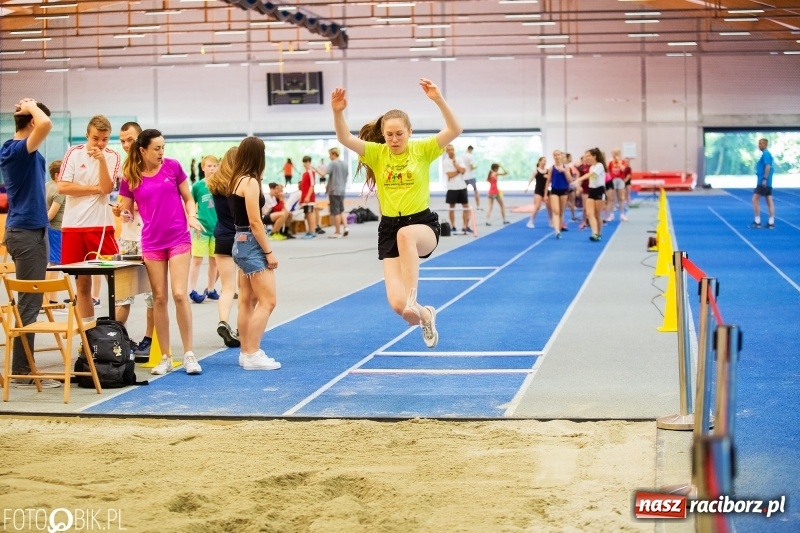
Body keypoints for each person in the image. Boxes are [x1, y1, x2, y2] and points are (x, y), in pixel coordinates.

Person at [331, 78, 463, 349]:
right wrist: (338, 112)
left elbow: (454, 129)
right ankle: (425, 314)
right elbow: (345, 138)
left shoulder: (422, 149)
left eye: (399, 134)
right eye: (389, 134)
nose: (394, 139)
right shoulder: (377, 153)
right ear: (383, 134)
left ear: (409, 132)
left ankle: (414, 298)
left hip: (422, 225)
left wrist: (438, 99)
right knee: (398, 306)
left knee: (406, 236)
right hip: (389, 228)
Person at [119, 129, 204, 376]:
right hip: (152, 242)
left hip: (178, 238)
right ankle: (165, 357)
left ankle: (189, 354)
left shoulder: (172, 167)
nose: (161, 152)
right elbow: (126, 211)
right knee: (159, 298)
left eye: (163, 148)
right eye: (156, 148)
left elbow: (188, 198)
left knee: (179, 294)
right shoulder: (130, 176)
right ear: (143, 150)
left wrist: (191, 215)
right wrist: (123, 213)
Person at [0, 98, 57, 388]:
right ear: (33, 121)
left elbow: (42, 123)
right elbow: (45, 123)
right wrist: (32, 105)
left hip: (34, 230)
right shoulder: (16, 150)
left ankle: (24, 367)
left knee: (31, 301)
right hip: (25, 232)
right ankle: (22, 371)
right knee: (30, 302)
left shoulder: (23, 149)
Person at [225, 136, 281, 370]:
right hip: (250, 243)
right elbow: (255, 222)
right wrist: (269, 252)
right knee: (268, 301)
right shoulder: (250, 182)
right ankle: (252, 352)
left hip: (240, 241)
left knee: (247, 301)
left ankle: (245, 352)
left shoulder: (236, 180)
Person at [57, 115, 120, 321]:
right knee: (82, 284)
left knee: (116, 282)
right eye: (96, 138)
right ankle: (88, 333)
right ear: (87, 136)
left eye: (105, 139)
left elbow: (107, 188)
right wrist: (95, 189)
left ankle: (117, 331)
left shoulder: (112, 156)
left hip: (101, 226)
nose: (100, 143)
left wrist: (101, 160)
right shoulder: (73, 153)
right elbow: (63, 187)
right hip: (73, 226)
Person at [113, 121, 155, 356]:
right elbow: (125, 207)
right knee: (123, 296)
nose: (126, 144)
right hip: (128, 239)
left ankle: (149, 340)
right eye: (122, 141)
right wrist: (121, 211)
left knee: (153, 297)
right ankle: (118, 338)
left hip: (150, 240)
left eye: (130, 139)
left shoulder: (154, 167)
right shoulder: (126, 170)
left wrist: (137, 204)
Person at [205, 147, 241, 348]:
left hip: (222, 237)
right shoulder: (241, 186)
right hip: (241, 238)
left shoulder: (215, 185)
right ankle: (240, 328)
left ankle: (223, 321)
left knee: (227, 287)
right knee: (243, 289)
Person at [188, 155, 220, 304]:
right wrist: (192, 219)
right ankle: (192, 290)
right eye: (209, 166)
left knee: (214, 261)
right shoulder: (198, 187)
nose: (212, 169)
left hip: (217, 229)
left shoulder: (221, 185)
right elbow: (189, 204)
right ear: (203, 168)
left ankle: (211, 289)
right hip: (201, 229)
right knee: (197, 259)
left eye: (214, 166)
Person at [573, 148, 607, 242]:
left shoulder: (599, 165)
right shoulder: (591, 167)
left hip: (599, 190)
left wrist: (578, 180)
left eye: (588, 156)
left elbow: (590, 175)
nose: (587, 158)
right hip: (591, 190)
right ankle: (594, 233)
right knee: (589, 213)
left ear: (594, 156)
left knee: (597, 214)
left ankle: (599, 233)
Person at [44, 160, 66, 307]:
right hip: (56, 229)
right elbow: (51, 215)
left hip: (49, 229)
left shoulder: (47, 186)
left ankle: (48, 298)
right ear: (58, 175)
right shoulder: (59, 190)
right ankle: (50, 298)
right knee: (54, 264)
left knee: (51, 262)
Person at [443, 144, 471, 234]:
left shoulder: (459, 159)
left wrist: (455, 164)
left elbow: (463, 170)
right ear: (446, 151)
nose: (451, 151)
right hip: (452, 187)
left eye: (452, 149)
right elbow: (450, 175)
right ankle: (453, 226)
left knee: (466, 207)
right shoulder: (445, 162)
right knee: (452, 207)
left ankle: (465, 227)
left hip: (462, 186)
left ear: (454, 150)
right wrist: (459, 171)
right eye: (449, 150)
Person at [546, 149, 573, 239]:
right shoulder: (551, 168)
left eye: (558, 155)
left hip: (564, 191)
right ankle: (556, 230)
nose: (557, 156)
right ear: (553, 157)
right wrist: (545, 194)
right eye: (555, 155)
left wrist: (564, 171)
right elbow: (548, 181)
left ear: (561, 156)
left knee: (561, 211)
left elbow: (570, 180)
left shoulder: (566, 167)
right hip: (554, 191)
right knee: (556, 211)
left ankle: (560, 227)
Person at [299, 155, 326, 239]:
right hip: (304, 197)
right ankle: (309, 231)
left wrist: (307, 196)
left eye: (306, 162)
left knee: (310, 214)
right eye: (304, 162)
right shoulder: (305, 173)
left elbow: (312, 185)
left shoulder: (310, 172)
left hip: (309, 198)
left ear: (309, 163)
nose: (305, 164)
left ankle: (312, 232)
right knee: (307, 214)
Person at [751, 138, 775, 229]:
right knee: (769, 201)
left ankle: (757, 221)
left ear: (765, 144)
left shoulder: (766, 154)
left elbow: (767, 166)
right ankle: (771, 222)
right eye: (759, 143)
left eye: (761, 144)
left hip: (763, 182)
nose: (759, 145)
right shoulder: (766, 154)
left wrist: (764, 179)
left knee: (755, 199)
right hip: (768, 182)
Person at [325, 147, 349, 238]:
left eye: (330, 155)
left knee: (336, 212)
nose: (329, 157)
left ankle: (337, 232)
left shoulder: (333, 163)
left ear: (334, 154)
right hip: (342, 189)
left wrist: (315, 169)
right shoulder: (345, 164)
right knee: (341, 210)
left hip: (334, 190)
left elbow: (324, 173)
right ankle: (346, 227)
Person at [525, 156, 548, 229]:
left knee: (550, 206)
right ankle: (530, 221)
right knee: (537, 206)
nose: (545, 162)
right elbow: (531, 179)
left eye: (545, 161)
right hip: (538, 190)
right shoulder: (536, 171)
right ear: (540, 162)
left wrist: (547, 176)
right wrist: (527, 187)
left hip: (546, 190)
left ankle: (551, 221)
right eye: (544, 161)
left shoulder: (547, 171)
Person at [607, 149, 628, 222]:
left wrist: (618, 162)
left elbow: (623, 169)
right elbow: (608, 171)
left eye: (616, 153)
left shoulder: (623, 161)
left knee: (621, 198)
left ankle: (622, 214)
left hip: (620, 180)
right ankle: (611, 215)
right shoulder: (610, 162)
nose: (614, 155)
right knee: (611, 198)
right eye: (613, 153)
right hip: (613, 180)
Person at [462, 145, 481, 211]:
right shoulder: (470, 156)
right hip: (470, 176)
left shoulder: (462, 156)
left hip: (464, 177)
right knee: (476, 191)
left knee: (465, 192)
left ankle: (465, 207)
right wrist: (475, 167)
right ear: (471, 149)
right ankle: (478, 207)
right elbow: (471, 167)